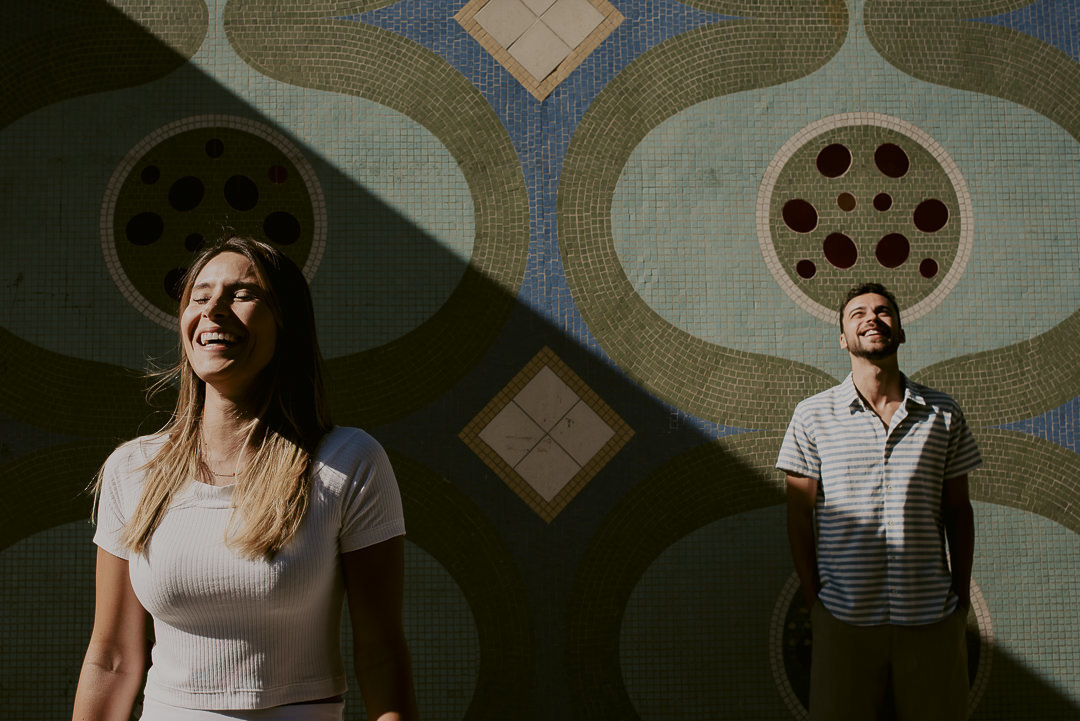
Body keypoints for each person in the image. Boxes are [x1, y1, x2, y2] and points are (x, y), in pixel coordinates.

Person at [72, 236, 417, 721]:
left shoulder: (348, 461)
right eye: (199, 296)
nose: (213, 310)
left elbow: (381, 652)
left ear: (286, 323)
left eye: (242, 294)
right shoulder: (133, 469)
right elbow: (111, 660)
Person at [777, 282, 980, 721]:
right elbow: (798, 516)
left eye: (884, 311)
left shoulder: (943, 412)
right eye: (858, 314)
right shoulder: (812, 415)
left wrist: (959, 600)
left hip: (931, 619)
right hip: (844, 621)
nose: (872, 318)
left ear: (900, 331)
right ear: (843, 338)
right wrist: (817, 606)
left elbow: (959, 511)